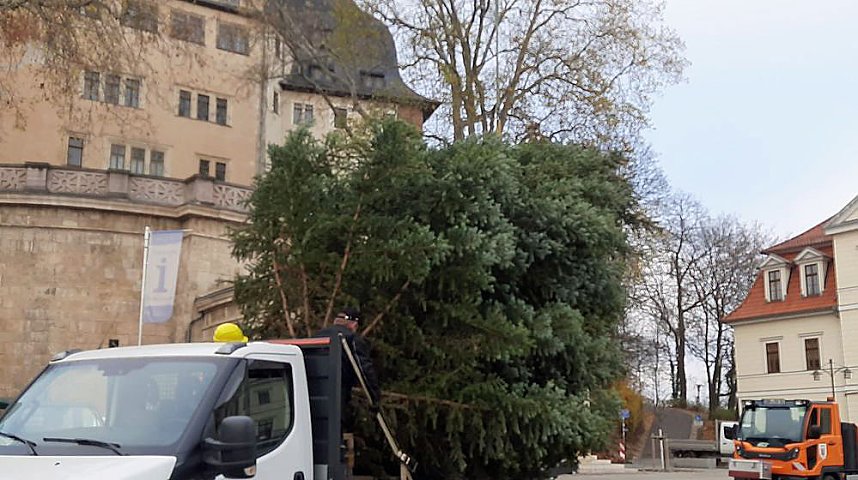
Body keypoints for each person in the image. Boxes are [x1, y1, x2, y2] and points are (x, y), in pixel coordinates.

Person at [315, 307, 381, 414]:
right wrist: (375, 398)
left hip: (313, 393)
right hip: (338, 394)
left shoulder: (317, 337)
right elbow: (364, 370)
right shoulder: (351, 339)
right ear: (354, 324)